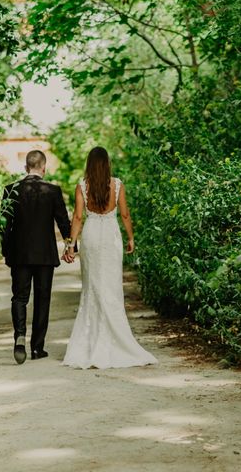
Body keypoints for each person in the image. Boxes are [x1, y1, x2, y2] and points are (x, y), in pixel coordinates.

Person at [61, 146, 158, 369]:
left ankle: (91, 341)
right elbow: (125, 214)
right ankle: (117, 340)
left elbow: (77, 217)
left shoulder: (82, 186)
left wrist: (70, 244)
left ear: (89, 164)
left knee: (92, 287)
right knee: (112, 287)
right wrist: (131, 237)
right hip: (111, 237)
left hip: (92, 236)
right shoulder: (117, 184)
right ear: (107, 163)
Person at [1, 150, 72, 365]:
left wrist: (6, 251)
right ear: (44, 167)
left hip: (20, 255)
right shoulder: (52, 191)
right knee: (42, 300)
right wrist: (71, 246)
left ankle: (19, 337)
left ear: (25, 168)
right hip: (44, 256)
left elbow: (3, 225)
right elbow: (63, 222)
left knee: (19, 297)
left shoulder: (11, 190)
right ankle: (37, 348)